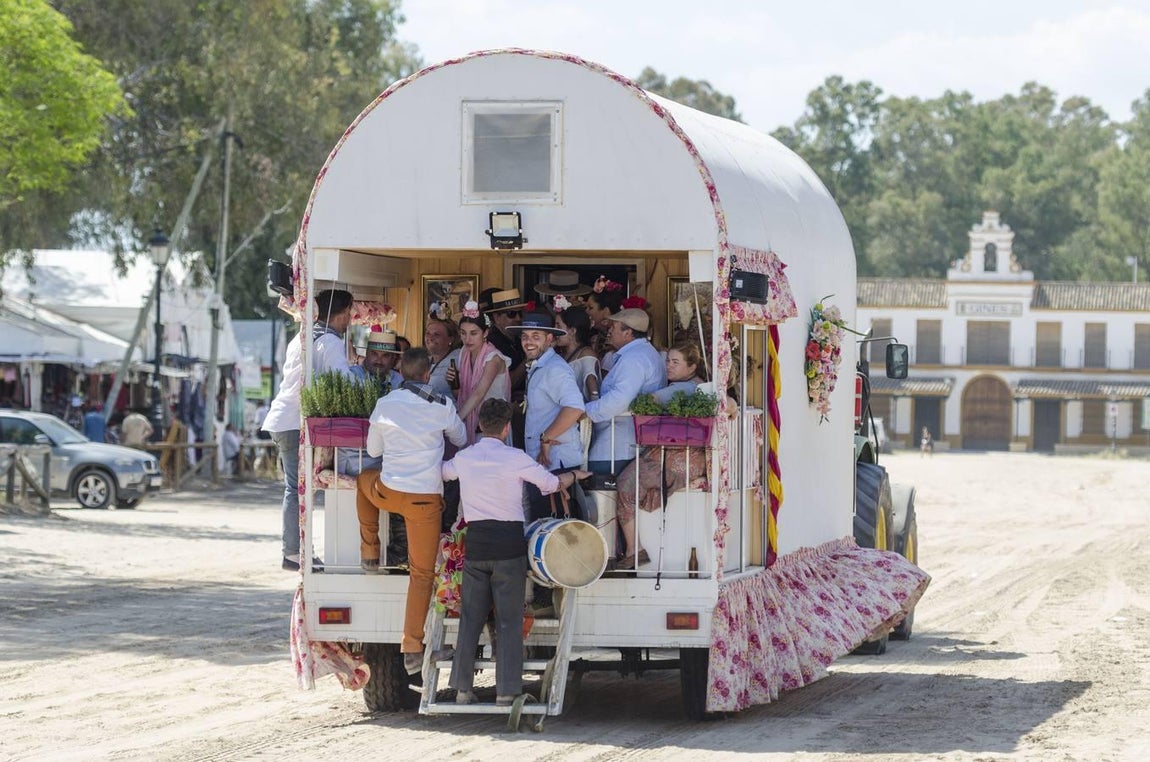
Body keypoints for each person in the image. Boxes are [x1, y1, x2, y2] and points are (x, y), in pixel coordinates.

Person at [441, 398, 589, 705]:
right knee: (508, 620)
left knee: (471, 616)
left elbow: (443, 473)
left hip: (477, 543)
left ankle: (462, 689)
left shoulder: (465, 457)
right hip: (509, 545)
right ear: (507, 428)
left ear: (480, 426)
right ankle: (506, 692)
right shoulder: (516, 457)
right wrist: (574, 477)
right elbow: (549, 484)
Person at [355, 347, 468, 675]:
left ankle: (370, 550)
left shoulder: (385, 404)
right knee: (421, 575)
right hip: (424, 501)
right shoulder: (441, 405)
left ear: (401, 370)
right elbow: (460, 438)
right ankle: (412, 647)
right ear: (427, 373)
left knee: (362, 482)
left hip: (389, 492)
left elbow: (373, 450)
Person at [263, 288, 355, 572]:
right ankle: (294, 552)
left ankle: (296, 550)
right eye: (349, 313)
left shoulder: (301, 336)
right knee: (298, 489)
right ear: (341, 314)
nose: (350, 319)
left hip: (283, 417)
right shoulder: (330, 341)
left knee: (296, 488)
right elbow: (345, 381)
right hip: (295, 421)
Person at [614, 343, 709, 568]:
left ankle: (633, 548)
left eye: (675, 362)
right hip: (687, 458)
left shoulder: (683, 389)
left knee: (626, 482)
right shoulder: (698, 386)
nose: (669, 366)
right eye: (668, 360)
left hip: (675, 458)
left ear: (692, 366)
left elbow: (649, 401)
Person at [507, 311, 586, 520]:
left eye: (535, 336)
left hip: (558, 463)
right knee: (546, 527)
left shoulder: (555, 369)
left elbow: (575, 407)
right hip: (545, 462)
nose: (528, 342)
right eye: (525, 336)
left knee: (559, 533)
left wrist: (546, 437)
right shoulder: (541, 366)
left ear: (549, 339)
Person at [583, 308, 666, 475]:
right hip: (624, 442)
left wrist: (583, 412)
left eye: (614, 327)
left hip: (617, 445)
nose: (610, 330)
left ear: (628, 333)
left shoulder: (634, 359)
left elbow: (619, 400)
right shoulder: (642, 353)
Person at [445, 301, 511, 445]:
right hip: (470, 425)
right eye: (463, 333)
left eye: (474, 333)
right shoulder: (464, 353)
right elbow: (462, 395)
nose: (467, 339)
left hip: (492, 429)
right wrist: (453, 383)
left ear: (485, 333)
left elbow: (478, 394)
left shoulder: (493, 358)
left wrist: (456, 421)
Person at [555, 306, 601, 403]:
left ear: (572, 331)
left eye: (558, 326)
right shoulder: (562, 354)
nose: (555, 330)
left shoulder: (587, 355)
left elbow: (594, 394)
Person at [423, 316, 461, 400]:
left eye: (436, 334)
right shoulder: (424, 361)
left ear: (451, 339)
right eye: (428, 333)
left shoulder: (459, 359)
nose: (430, 338)